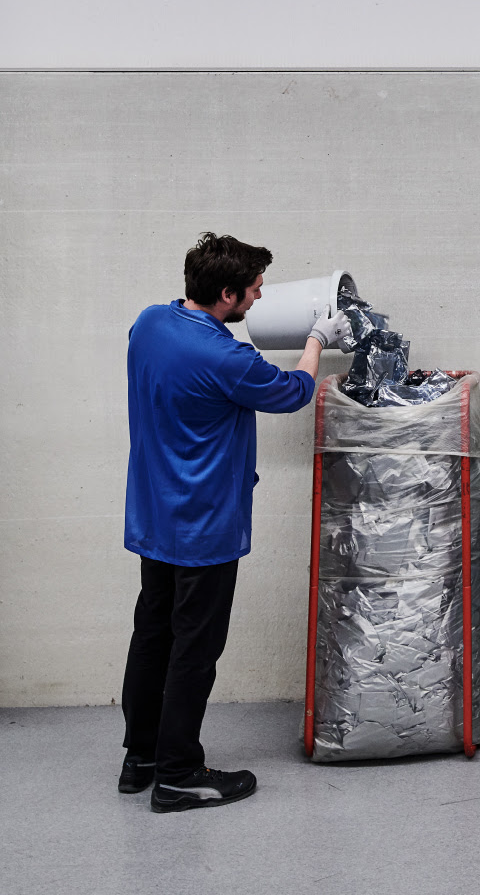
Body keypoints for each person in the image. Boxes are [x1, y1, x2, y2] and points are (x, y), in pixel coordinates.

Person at [119, 233, 352, 813]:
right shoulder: (227, 359)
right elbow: (293, 391)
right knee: (195, 650)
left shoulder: (150, 323)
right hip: (203, 527)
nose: (259, 297)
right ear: (226, 294)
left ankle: (141, 758)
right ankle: (178, 775)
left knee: (152, 637)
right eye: (253, 290)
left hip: (154, 515)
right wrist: (316, 340)